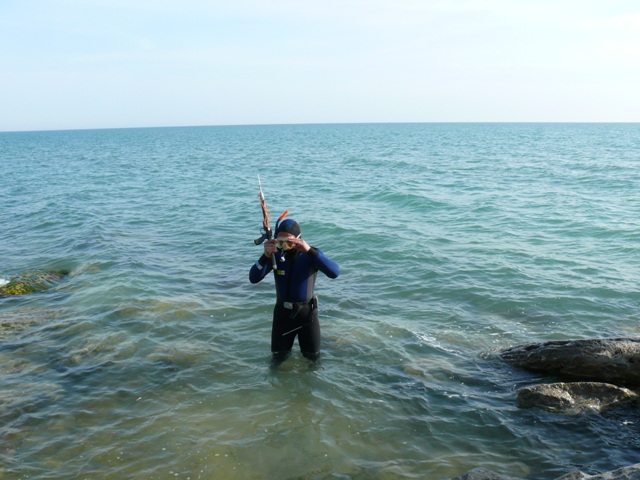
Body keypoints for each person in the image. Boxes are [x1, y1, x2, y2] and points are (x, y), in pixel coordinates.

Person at [249, 218, 339, 362]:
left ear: (299, 239)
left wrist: (310, 251)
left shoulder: (310, 255)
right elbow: (253, 278)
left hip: (307, 316)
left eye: (289, 242)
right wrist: (265, 256)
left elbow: (334, 272)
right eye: (280, 242)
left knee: (313, 362)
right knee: (277, 362)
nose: (284, 246)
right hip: (282, 316)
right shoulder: (275, 256)